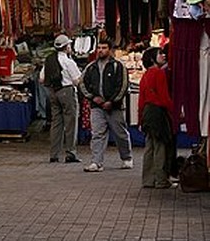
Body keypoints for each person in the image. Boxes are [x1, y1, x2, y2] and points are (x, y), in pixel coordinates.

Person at [80, 40, 133, 172]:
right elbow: (82, 84)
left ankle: (127, 158)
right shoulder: (91, 67)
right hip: (96, 107)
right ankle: (96, 162)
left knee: (120, 134)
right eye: (98, 48)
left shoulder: (118, 66)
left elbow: (123, 86)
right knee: (97, 134)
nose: (100, 50)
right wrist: (93, 98)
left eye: (104, 48)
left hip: (114, 107)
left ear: (110, 50)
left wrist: (113, 101)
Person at [41, 34, 82, 163]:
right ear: (66, 47)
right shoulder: (68, 62)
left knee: (56, 123)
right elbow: (76, 81)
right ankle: (71, 152)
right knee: (70, 123)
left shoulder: (49, 60)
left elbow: (41, 79)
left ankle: (54, 154)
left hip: (53, 92)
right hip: (67, 91)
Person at [138, 46, 175, 188]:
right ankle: (161, 179)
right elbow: (164, 96)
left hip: (147, 112)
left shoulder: (146, 75)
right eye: (160, 54)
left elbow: (141, 100)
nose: (163, 55)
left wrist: (141, 118)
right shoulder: (159, 74)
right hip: (158, 112)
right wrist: (174, 111)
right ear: (153, 58)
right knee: (160, 146)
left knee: (150, 146)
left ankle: (148, 179)